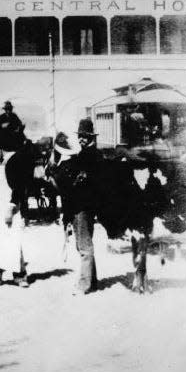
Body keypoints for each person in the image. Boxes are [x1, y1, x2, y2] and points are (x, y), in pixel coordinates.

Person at [70, 118, 103, 295]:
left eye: (84, 136)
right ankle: (93, 281)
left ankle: (84, 285)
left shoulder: (90, 156)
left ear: (91, 137)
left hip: (83, 205)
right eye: (80, 136)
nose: (81, 139)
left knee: (84, 246)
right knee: (85, 243)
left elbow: (90, 182)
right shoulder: (90, 154)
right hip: (85, 205)